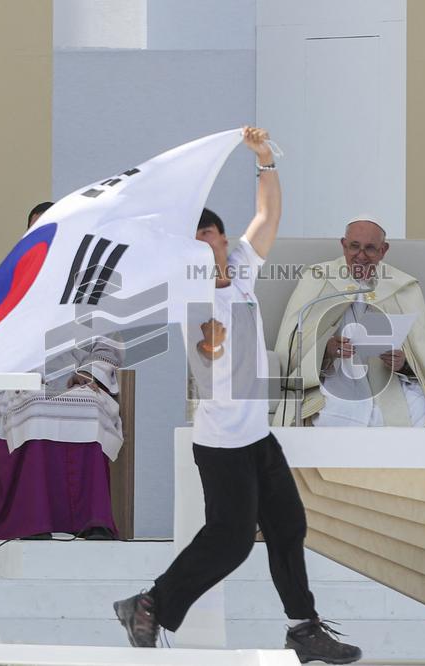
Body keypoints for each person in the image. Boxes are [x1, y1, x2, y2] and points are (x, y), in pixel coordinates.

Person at [113, 127, 362, 664]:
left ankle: (304, 628)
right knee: (228, 542)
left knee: (288, 527)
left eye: (214, 241)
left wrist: (265, 160)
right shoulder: (192, 296)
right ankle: (150, 605)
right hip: (223, 441)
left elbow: (267, 218)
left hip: (257, 436)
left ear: (223, 241)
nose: (210, 254)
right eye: (197, 248)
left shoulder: (243, 271)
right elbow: (211, 348)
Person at [0, 201, 121, 540]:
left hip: (75, 381)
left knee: (89, 408)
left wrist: (91, 373)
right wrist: (14, 372)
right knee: (35, 407)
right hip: (14, 382)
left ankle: (93, 520)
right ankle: (31, 521)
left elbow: (108, 343)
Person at [273, 217, 425, 428]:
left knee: (419, 411)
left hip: (390, 382)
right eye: (354, 247)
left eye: (370, 248)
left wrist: (404, 364)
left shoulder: (403, 287)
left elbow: (422, 353)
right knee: (337, 413)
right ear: (343, 245)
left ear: (383, 250)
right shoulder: (318, 279)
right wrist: (325, 349)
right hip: (334, 375)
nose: (361, 256)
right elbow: (293, 341)